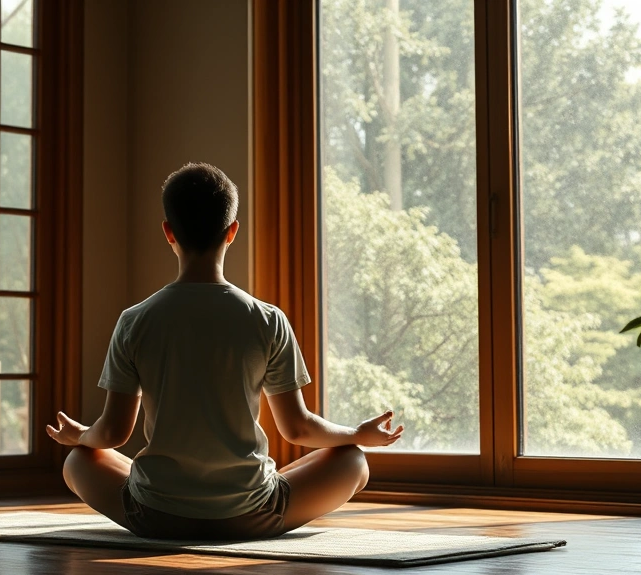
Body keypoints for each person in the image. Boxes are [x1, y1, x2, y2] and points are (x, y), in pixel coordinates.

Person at [46, 162, 404, 540]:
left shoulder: (134, 321)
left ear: (168, 232)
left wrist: (80, 436)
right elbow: (298, 428)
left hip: (156, 515)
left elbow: (112, 433)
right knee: (353, 459)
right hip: (252, 515)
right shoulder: (267, 319)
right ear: (232, 232)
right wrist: (356, 433)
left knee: (78, 461)